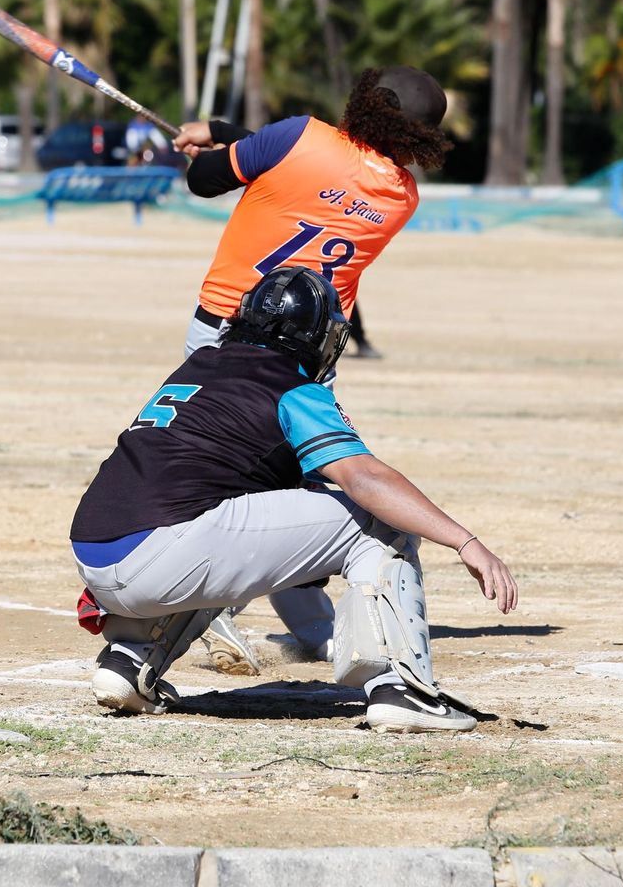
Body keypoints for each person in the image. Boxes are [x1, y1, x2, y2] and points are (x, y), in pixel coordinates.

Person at [70, 267, 518, 733]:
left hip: (97, 555)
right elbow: (364, 479)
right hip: (165, 552)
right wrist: (466, 542)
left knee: (227, 514)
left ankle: (130, 660)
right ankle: (400, 687)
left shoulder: (200, 364)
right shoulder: (292, 387)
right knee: (379, 519)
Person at [168, 66, 450, 673]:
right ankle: (317, 628)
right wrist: (225, 132)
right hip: (309, 351)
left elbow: (207, 179)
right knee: (299, 476)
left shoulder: (297, 136)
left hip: (223, 330)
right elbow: (313, 166)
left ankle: (202, 610)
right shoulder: (401, 196)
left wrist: (214, 147)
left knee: (217, 467)